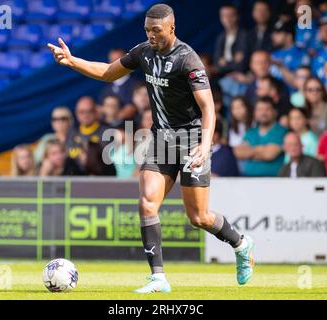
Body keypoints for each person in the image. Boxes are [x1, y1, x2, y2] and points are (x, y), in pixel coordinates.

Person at [48, 4, 255, 293]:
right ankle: (159, 278)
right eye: (147, 30)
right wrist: (73, 61)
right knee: (147, 202)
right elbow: (109, 72)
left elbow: (209, 108)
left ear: (171, 28)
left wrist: (205, 145)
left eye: (156, 30)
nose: (151, 35)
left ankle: (241, 244)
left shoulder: (188, 60)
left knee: (198, 217)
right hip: (161, 140)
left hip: (192, 141)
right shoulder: (144, 51)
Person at [234, 96, 288, 177]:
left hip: (273, 181)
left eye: (267, 109)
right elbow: (239, 153)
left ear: (275, 112)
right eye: (259, 109)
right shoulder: (251, 132)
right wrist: (263, 149)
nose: (263, 113)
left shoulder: (281, 131)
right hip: (248, 179)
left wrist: (250, 152)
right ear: (255, 112)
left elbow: (269, 154)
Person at [99, 48, 139, 120]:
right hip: (110, 126)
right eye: (112, 61)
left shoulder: (136, 85)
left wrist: (116, 117)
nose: (115, 65)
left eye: (118, 61)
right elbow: (101, 109)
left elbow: (134, 109)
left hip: (130, 124)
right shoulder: (106, 89)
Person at [213, 4, 248, 77]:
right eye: (224, 16)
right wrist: (234, 61)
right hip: (222, 76)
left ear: (237, 17)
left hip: (240, 75)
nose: (227, 19)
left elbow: (242, 64)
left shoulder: (245, 36)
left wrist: (225, 62)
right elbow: (217, 65)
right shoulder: (220, 37)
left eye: (230, 15)